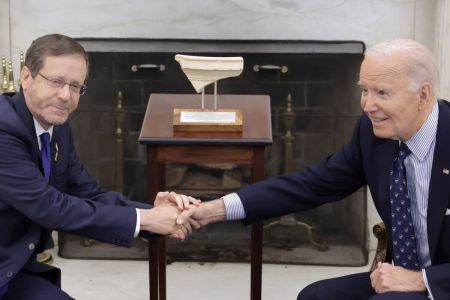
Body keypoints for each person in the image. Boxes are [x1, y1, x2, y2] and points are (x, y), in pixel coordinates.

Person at [177, 39, 450, 299]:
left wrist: (421, 280)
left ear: (422, 95)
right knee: (314, 296)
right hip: (399, 279)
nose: (367, 105)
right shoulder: (373, 135)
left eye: (382, 93)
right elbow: (310, 185)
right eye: (364, 90)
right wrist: (212, 210)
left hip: (440, 283)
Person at [0, 34, 198, 300]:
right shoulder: (3, 129)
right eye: (56, 82)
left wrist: (154, 212)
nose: (65, 96)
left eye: (75, 86)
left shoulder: (57, 129)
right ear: (26, 77)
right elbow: (49, 206)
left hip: (11, 269)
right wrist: (147, 219)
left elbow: (89, 194)